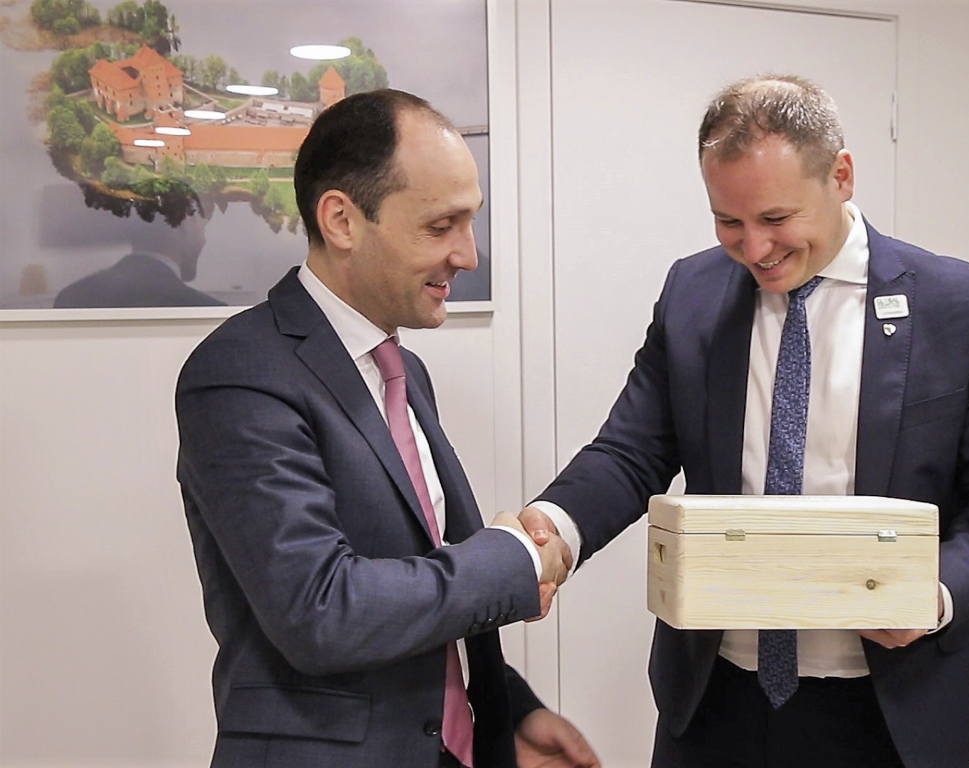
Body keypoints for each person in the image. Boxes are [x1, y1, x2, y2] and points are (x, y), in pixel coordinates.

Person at [520, 74, 969, 768]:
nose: (754, 249)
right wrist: (551, 531)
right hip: (715, 701)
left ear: (841, 176)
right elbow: (630, 453)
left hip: (890, 711)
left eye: (775, 218)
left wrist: (937, 593)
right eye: (728, 222)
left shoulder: (956, 304)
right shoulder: (691, 293)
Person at [176, 89, 597, 768]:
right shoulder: (239, 374)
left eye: (470, 222)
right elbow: (321, 611)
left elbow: (421, 568)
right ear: (341, 219)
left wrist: (508, 709)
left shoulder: (405, 372)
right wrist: (513, 557)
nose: (468, 255)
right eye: (441, 226)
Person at [54, 187, 223, 308]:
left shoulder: (72, 298)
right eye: (203, 227)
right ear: (185, 223)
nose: (204, 240)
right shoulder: (205, 312)